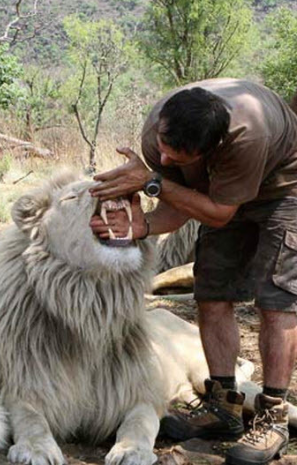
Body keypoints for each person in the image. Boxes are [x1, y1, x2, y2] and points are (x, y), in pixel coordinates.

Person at [89, 78, 297, 465]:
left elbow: (218, 212)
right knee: (212, 291)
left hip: (283, 186)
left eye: (177, 159)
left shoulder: (245, 138)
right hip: (223, 192)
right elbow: (180, 199)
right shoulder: (159, 131)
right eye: (162, 153)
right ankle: (223, 408)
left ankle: (273, 416)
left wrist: (152, 182)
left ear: (211, 150)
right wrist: (144, 226)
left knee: (276, 299)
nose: (164, 161)